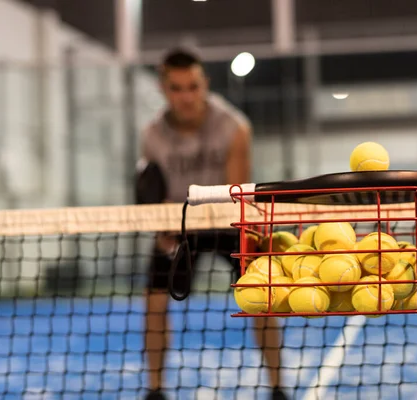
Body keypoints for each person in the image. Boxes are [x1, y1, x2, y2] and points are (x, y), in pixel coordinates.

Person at [137, 49, 287, 400]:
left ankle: (278, 386)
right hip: (178, 223)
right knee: (154, 299)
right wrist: (163, 230)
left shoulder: (234, 127)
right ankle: (155, 391)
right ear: (164, 88)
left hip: (226, 220)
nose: (186, 96)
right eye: (177, 88)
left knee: (261, 296)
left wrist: (250, 239)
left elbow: (238, 197)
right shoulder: (151, 135)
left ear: (204, 83)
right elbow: (153, 189)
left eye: (193, 86)